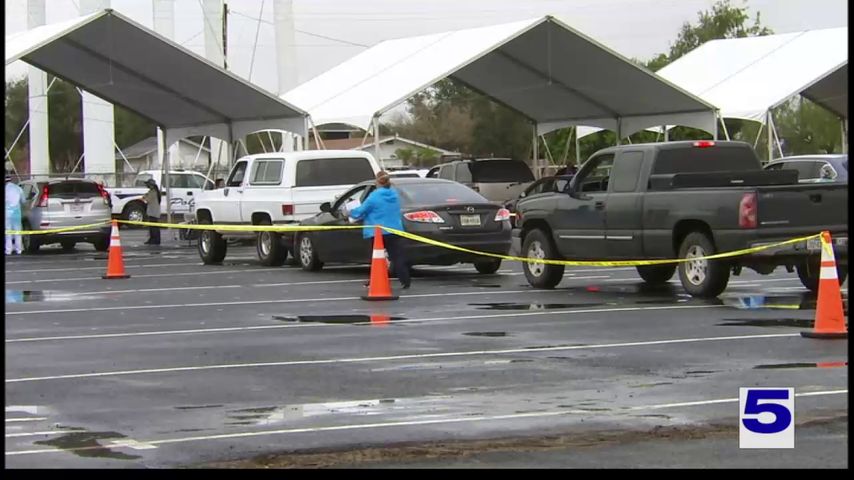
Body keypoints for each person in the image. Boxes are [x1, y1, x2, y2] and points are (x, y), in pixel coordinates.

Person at [349, 171, 410, 289]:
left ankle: (376, 280)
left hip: (377, 232)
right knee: (397, 257)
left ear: (377, 182)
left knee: (377, 258)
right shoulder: (394, 195)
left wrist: (349, 212)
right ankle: (405, 280)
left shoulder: (374, 196)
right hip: (395, 230)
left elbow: (360, 211)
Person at [5, 172, 25, 255]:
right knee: (18, 232)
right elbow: (23, 201)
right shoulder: (18, 188)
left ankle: (8, 250)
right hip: (17, 213)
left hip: (7, 214)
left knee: (8, 233)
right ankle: (19, 249)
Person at [142, 178, 161, 245]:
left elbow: (148, 200)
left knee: (154, 228)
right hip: (153, 212)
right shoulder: (153, 191)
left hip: (153, 212)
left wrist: (144, 197)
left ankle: (155, 240)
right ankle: (153, 239)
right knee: (153, 227)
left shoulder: (153, 192)